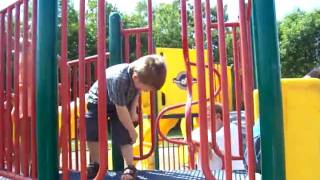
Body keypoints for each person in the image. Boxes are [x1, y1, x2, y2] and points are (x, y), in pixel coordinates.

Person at [85, 55, 167, 179]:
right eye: (146, 89)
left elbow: (136, 92)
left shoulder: (139, 76)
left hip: (121, 101)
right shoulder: (119, 78)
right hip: (99, 100)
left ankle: (130, 167)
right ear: (135, 78)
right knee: (93, 130)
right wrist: (132, 131)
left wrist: (133, 110)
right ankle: (96, 164)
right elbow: (121, 109)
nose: (146, 91)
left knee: (123, 133)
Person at [192, 103, 244, 171]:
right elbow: (190, 136)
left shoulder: (230, 128)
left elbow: (213, 141)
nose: (201, 118)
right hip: (213, 173)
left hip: (233, 173)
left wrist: (200, 144)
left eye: (206, 115)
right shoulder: (206, 131)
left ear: (217, 116)